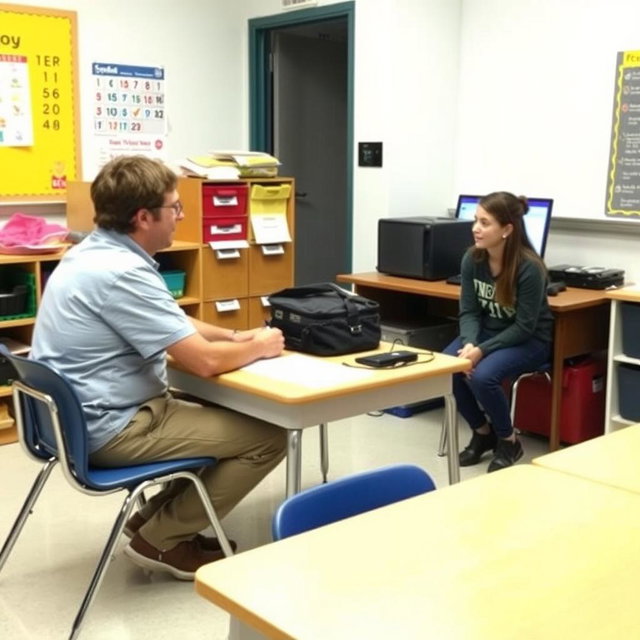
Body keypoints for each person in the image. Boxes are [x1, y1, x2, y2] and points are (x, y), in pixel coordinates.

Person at [31, 155, 288, 581]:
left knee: (229, 419)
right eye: (175, 207)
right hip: (111, 428)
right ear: (144, 216)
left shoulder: (91, 252)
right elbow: (202, 364)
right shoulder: (121, 272)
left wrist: (233, 338)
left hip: (79, 419)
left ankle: (148, 519)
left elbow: (170, 318)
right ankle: (161, 540)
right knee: (268, 436)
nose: (181, 216)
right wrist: (260, 345)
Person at [443, 191, 553, 472]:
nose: (475, 228)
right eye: (475, 220)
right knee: (446, 367)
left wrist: (480, 352)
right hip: (487, 334)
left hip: (529, 340)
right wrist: (469, 344)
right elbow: (469, 311)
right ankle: (483, 433)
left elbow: (524, 327)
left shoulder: (530, 268)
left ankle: (509, 440)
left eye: (485, 222)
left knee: (482, 376)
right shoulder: (472, 259)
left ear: (506, 230)